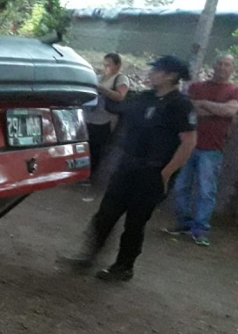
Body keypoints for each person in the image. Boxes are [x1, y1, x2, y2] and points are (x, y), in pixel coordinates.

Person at [65, 56, 197, 282]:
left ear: (171, 76)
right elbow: (118, 107)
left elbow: (189, 142)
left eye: (157, 70)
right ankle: (89, 256)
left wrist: (167, 173)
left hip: (152, 172)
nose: (151, 73)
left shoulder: (181, 105)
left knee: (135, 222)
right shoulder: (145, 97)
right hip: (128, 166)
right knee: (106, 214)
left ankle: (124, 267)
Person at [164, 55, 238, 246]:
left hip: (213, 148)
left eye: (227, 65)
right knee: (182, 185)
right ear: (213, 65)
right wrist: (216, 110)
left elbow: (230, 111)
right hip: (188, 145)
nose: (222, 67)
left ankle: (200, 229)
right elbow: (189, 110)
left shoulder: (236, 90)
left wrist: (204, 104)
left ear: (233, 69)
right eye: (219, 63)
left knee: (206, 190)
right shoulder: (196, 87)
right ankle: (183, 223)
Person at [83, 53, 131, 184]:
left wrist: (101, 89)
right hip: (90, 115)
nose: (106, 67)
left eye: (109, 65)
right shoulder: (99, 77)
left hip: (105, 119)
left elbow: (120, 96)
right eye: (104, 64)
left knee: (96, 148)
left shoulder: (120, 79)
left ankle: (90, 175)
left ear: (117, 66)